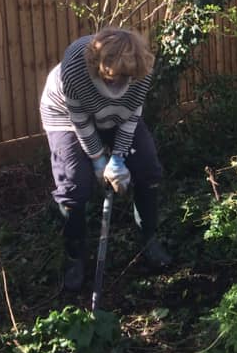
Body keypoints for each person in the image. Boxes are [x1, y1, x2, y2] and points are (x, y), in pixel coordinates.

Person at [40, 27, 172, 293]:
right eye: (112, 77)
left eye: (125, 77)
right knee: (75, 185)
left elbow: (131, 116)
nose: (118, 83)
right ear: (97, 64)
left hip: (116, 116)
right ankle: (75, 257)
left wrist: (119, 159)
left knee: (147, 167)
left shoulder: (141, 69)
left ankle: (149, 240)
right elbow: (79, 119)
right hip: (66, 117)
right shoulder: (75, 64)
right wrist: (99, 160)